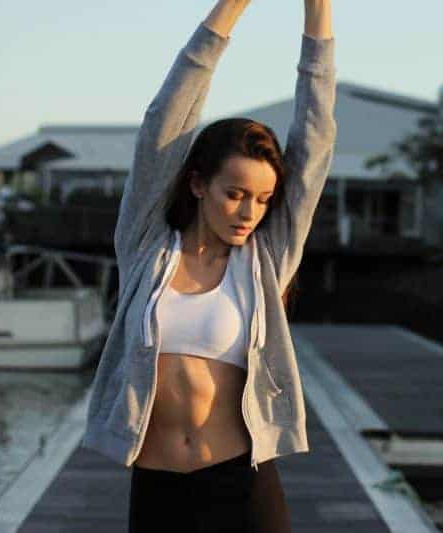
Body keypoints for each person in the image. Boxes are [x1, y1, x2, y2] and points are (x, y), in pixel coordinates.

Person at [79, 0, 336, 531]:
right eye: (235, 193)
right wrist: (232, 8)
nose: (249, 212)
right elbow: (162, 124)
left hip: (242, 484)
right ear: (198, 185)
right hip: (157, 489)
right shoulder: (146, 247)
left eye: (263, 199)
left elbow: (314, 142)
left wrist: (318, 13)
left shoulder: (266, 261)